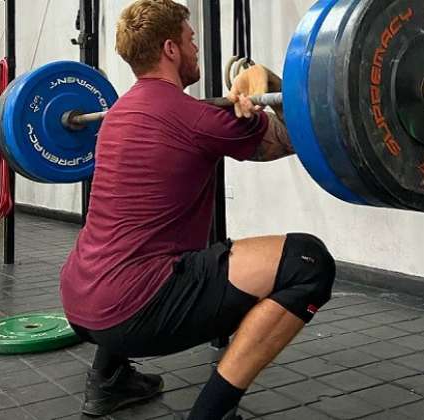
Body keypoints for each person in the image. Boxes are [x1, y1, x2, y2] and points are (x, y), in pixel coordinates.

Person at [60, 1, 336, 418]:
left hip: (79, 301)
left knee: (139, 248)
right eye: (191, 40)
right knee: (308, 262)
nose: (195, 49)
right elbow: (292, 137)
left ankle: (108, 381)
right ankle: (211, 413)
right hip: (135, 309)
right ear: (170, 50)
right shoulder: (193, 117)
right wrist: (272, 81)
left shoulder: (116, 114)